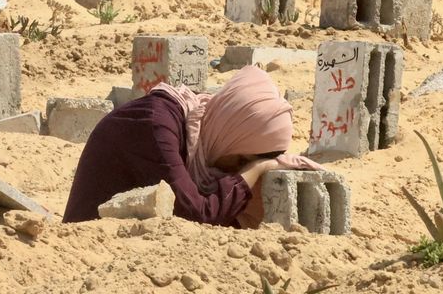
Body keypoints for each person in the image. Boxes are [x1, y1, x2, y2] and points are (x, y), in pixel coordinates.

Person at [62, 66, 323, 227]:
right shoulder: (155, 126)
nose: (236, 170)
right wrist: (257, 168)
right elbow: (198, 216)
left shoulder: (200, 128)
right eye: (241, 161)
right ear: (229, 137)